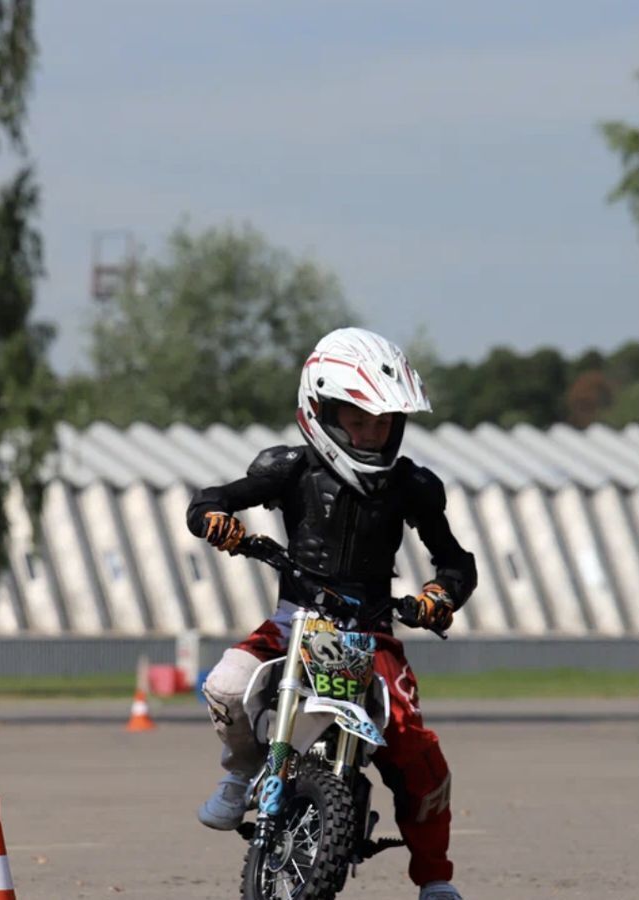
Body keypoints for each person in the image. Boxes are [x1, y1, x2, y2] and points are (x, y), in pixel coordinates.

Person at [186, 327, 477, 900]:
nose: (372, 434)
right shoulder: (289, 469)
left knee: (418, 753)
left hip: (372, 632)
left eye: (383, 422)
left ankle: (436, 879)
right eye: (358, 421)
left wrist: (439, 596)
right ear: (321, 411)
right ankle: (242, 770)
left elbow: (456, 562)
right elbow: (212, 496)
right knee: (225, 686)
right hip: (294, 622)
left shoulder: (411, 486)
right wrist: (215, 519)